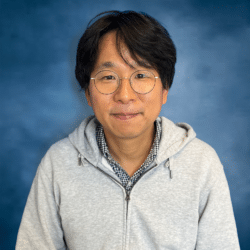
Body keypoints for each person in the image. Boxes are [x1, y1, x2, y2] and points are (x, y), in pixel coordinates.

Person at [16, 10, 240, 250]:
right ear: (88, 93)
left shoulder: (201, 163)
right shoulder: (58, 163)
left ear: (165, 89)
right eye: (108, 77)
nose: (124, 95)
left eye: (141, 75)